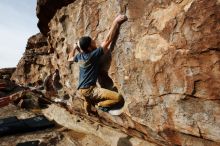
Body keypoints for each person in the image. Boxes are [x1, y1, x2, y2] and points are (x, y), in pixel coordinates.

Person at [68, 14, 127, 115]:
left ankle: (88, 113)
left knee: (88, 100)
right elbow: (108, 40)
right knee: (118, 98)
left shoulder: (80, 56)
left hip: (82, 89)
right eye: (93, 42)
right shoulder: (93, 55)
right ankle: (101, 106)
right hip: (90, 90)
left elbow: (69, 59)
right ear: (89, 48)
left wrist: (74, 48)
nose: (95, 42)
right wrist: (116, 22)